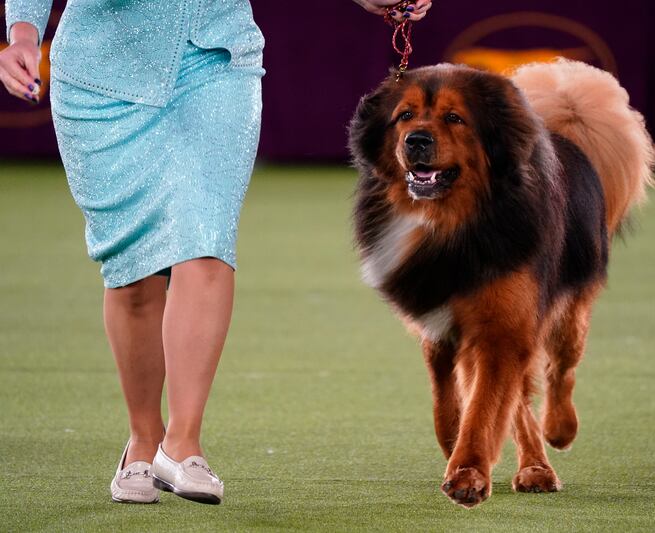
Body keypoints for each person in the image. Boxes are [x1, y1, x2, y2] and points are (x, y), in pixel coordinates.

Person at [0, 0, 432, 506]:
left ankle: (183, 443)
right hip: (100, 72)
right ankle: (143, 438)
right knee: (132, 271)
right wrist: (24, 33)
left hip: (217, 60)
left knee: (205, 238)